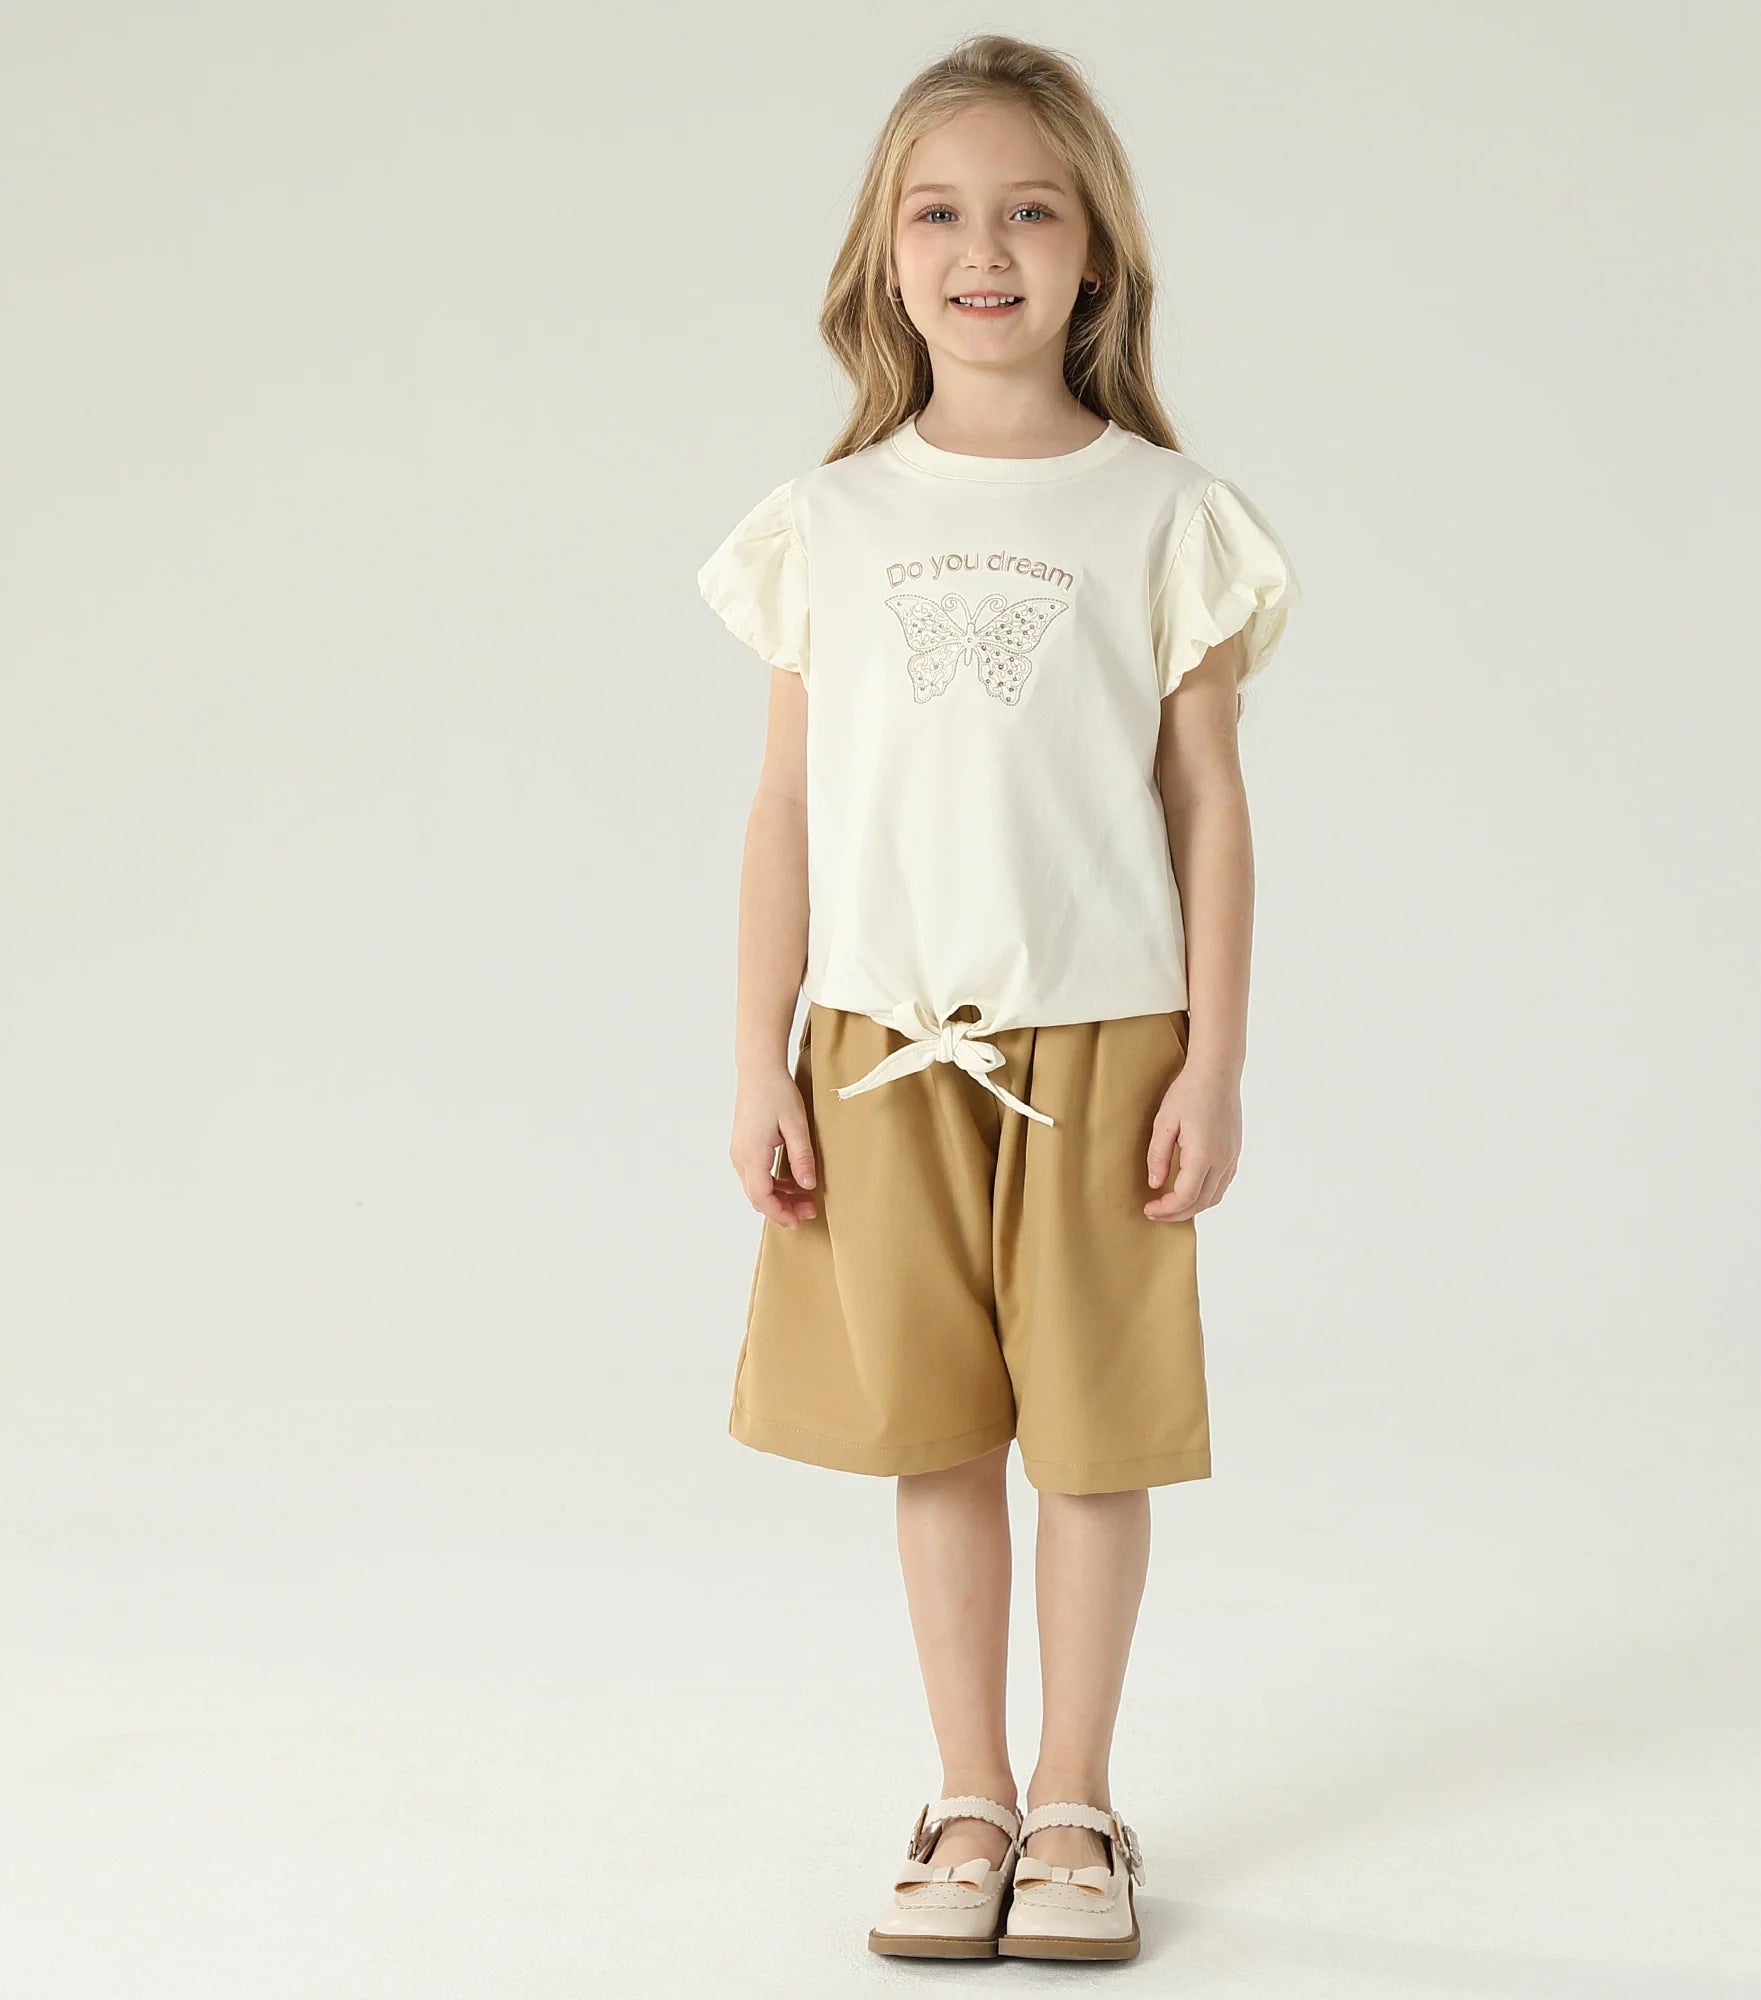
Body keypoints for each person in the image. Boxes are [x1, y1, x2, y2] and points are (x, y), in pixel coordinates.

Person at [695, 32, 1300, 1966]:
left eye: (1029, 210)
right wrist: (761, 1056)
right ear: (884, 253)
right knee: (936, 1434)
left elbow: (1209, 807)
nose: (983, 249)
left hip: (1104, 1042)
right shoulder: (828, 521)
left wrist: (1215, 1057)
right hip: (883, 1047)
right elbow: (785, 810)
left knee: (1093, 1440)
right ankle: (966, 1794)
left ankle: (1076, 1799)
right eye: (939, 213)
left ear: (1093, 249)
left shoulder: (1165, 514)